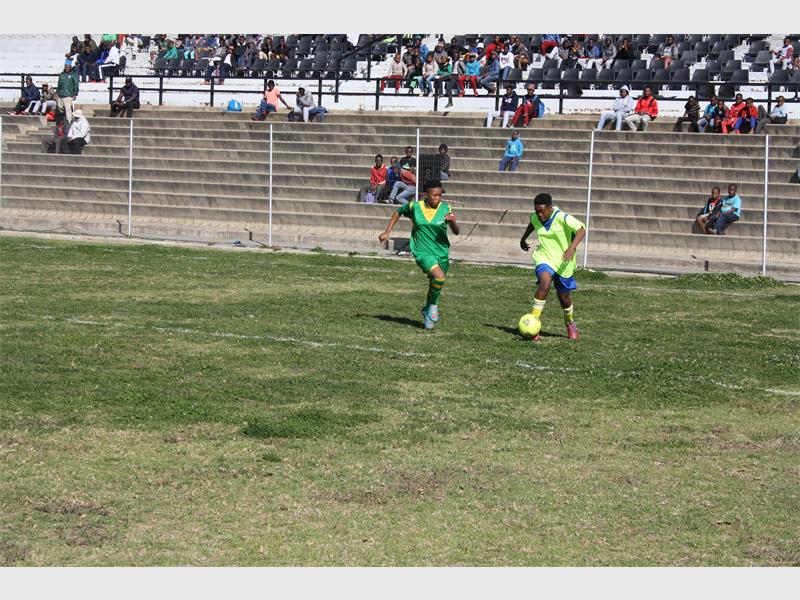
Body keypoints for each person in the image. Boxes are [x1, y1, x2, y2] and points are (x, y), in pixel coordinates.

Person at [378, 179, 460, 330]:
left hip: (441, 252)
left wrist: (453, 221)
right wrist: (387, 232)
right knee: (439, 276)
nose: (438, 198)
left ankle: (427, 309)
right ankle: (433, 305)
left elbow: (456, 231)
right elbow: (398, 212)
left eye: (440, 195)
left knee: (435, 282)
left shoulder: (445, 208)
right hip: (422, 251)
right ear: (426, 195)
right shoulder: (415, 207)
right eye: (435, 195)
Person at [519, 192, 586, 341]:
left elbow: (581, 229)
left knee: (564, 298)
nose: (539, 214)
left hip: (563, 262)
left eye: (542, 211)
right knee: (545, 283)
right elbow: (532, 223)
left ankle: (570, 322)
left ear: (550, 207)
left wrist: (571, 248)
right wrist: (523, 238)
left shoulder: (562, 217)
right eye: (537, 211)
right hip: (544, 258)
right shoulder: (536, 217)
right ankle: (533, 324)